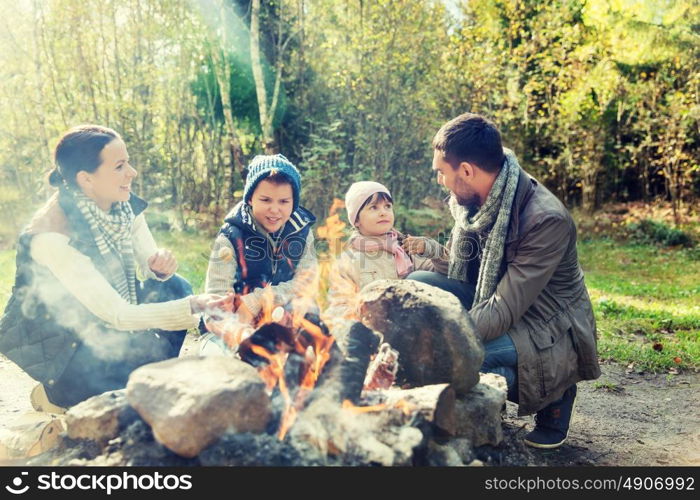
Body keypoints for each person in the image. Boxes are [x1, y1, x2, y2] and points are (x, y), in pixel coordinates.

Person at [408, 113, 601, 449]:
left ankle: (554, 393)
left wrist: (442, 341)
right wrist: (403, 267)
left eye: (442, 172)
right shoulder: (476, 203)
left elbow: (503, 308)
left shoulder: (545, 219)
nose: (440, 181)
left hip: (543, 325)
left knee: (461, 357)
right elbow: (457, 262)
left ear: (466, 171)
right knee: (417, 286)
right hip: (494, 297)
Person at [0, 125, 225, 411]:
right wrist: (195, 308)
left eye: (128, 162)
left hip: (106, 327)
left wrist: (159, 269)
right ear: (86, 179)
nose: (132, 173)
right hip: (68, 351)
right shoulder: (51, 237)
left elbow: (150, 265)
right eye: (120, 166)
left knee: (174, 287)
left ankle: (145, 378)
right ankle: (56, 398)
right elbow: (118, 314)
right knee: (120, 398)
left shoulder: (122, 204)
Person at [201, 154, 317, 354]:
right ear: (250, 199)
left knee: (312, 321)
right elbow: (215, 305)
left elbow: (306, 283)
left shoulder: (302, 232)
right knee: (215, 357)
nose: (274, 210)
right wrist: (241, 332)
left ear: (293, 202)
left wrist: (258, 300)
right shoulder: (230, 237)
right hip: (234, 325)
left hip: (281, 318)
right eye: (265, 200)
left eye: (283, 201)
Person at [324, 181, 446, 326]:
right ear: (356, 220)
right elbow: (338, 305)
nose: (383, 212)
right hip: (371, 328)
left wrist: (431, 249)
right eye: (373, 207)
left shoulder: (405, 248)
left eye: (387, 206)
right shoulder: (348, 260)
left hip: (410, 327)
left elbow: (444, 273)